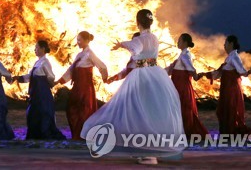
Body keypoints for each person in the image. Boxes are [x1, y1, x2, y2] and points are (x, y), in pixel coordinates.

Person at [81, 10, 184, 165]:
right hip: (156, 75)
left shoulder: (141, 39)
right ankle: (146, 150)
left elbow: (135, 48)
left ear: (138, 22)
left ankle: (147, 153)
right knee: (150, 112)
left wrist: (121, 45)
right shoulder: (154, 38)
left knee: (135, 111)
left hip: (142, 76)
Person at [54, 31, 108, 140]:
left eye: (80, 40)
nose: (77, 42)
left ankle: (84, 135)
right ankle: (77, 134)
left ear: (87, 41)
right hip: (77, 87)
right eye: (77, 40)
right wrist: (59, 81)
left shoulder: (89, 54)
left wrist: (105, 78)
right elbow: (71, 70)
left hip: (85, 88)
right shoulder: (79, 55)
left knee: (84, 110)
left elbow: (102, 66)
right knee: (72, 109)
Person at [200, 35, 251, 137]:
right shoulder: (229, 57)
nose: (224, 46)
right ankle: (226, 132)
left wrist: (248, 72)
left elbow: (241, 71)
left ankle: (231, 132)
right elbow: (219, 73)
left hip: (231, 88)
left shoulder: (234, 57)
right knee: (224, 110)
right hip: (226, 88)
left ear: (231, 44)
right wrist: (205, 74)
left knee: (230, 109)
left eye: (225, 43)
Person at [14, 40, 65, 140]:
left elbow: (51, 76)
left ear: (42, 49)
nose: (35, 50)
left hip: (42, 92)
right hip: (35, 92)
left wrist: (49, 85)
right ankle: (36, 134)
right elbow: (30, 76)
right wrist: (18, 78)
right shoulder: (37, 62)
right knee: (34, 113)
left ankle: (44, 133)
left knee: (43, 112)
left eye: (36, 48)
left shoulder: (45, 62)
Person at [165, 33, 208, 139]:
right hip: (178, 84)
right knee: (181, 107)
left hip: (181, 85)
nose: (177, 42)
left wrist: (196, 76)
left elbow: (190, 67)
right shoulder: (183, 54)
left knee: (183, 107)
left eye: (179, 40)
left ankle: (185, 130)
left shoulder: (185, 55)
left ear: (184, 42)